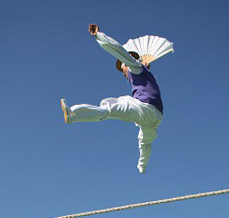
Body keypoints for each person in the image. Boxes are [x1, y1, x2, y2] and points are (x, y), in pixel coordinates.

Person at [61, 24, 165, 174]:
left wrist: (99, 36)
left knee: (110, 108)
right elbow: (146, 74)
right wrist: (146, 67)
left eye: (122, 67)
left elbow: (118, 50)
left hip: (144, 108)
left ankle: (74, 115)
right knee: (145, 141)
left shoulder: (135, 67)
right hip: (156, 115)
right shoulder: (144, 73)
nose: (122, 71)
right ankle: (142, 167)